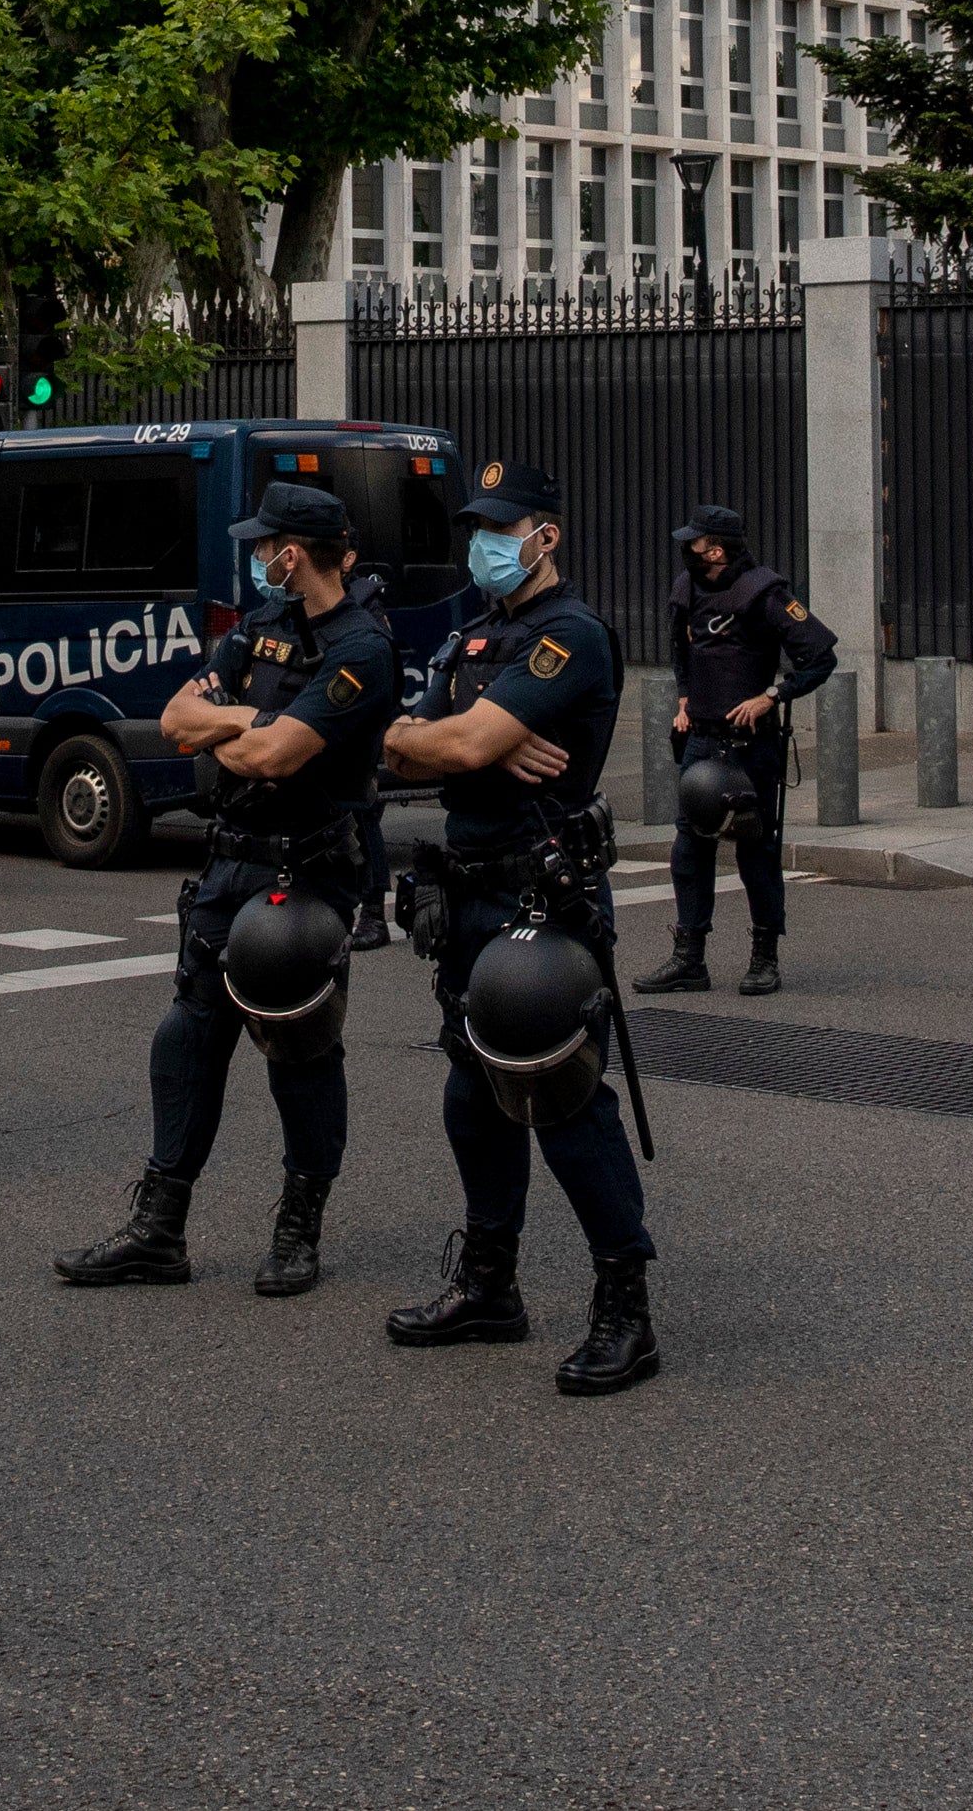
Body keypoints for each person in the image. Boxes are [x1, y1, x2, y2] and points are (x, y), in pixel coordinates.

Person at [55, 479, 401, 1297]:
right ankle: (159, 1228)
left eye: (262, 547)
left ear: (291, 554)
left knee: (298, 1051)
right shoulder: (261, 628)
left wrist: (242, 728)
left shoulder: (361, 646)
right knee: (187, 1037)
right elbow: (179, 721)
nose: (253, 560)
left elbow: (283, 756)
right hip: (230, 858)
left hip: (307, 868)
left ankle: (298, 1226)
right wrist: (250, 724)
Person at [378, 464, 657, 1398]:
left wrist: (458, 735)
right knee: (471, 1094)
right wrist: (464, 733)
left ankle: (627, 1307)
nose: (483, 542)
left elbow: (445, 746)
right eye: (477, 527)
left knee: (565, 1105)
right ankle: (490, 1284)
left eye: (503, 528)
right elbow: (402, 740)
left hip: (544, 894)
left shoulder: (569, 635)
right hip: (467, 894)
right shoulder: (471, 632)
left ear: (548, 536)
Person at [651, 501, 832, 997]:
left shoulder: (764, 592)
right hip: (701, 740)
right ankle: (690, 959)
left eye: (693, 542)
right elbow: (679, 647)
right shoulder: (687, 587)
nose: (685, 549)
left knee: (756, 849)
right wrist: (684, 697)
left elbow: (819, 655)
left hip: (750, 747)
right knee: (689, 848)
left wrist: (771, 696)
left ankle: (764, 958)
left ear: (715, 548)